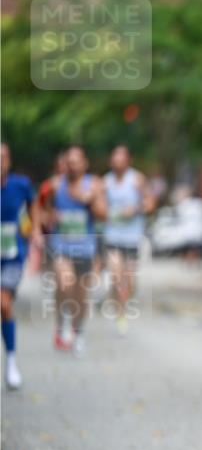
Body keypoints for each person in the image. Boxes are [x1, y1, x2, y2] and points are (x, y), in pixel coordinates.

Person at [45, 146, 106, 356]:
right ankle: (61, 323)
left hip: (85, 248)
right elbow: (42, 210)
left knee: (81, 297)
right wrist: (49, 217)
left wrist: (89, 200)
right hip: (61, 246)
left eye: (76, 161)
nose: (72, 165)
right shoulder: (55, 185)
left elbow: (103, 214)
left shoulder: (94, 184)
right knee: (64, 283)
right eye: (69, 162)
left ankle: (78, 333)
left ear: (84, 164)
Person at [103, 145, 155, 334]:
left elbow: (150, 203)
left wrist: (136, 209)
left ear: (128, 161)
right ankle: (120, 315)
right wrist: (106, 212)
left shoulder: (137, 179)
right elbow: (99, 206)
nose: (118, 163)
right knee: (117, 276)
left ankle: (120, 302)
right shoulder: (105, 182)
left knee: (129, 282)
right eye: (115, 159)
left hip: (132, 238)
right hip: (112, 236)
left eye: (122, 160)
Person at [1, 143, 38, 389]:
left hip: (13, 255)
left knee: (4, 303)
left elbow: (34, 206)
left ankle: (11, 361)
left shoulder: (21, 185)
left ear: (9, 161)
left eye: (2, 157)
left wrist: (34, 230)